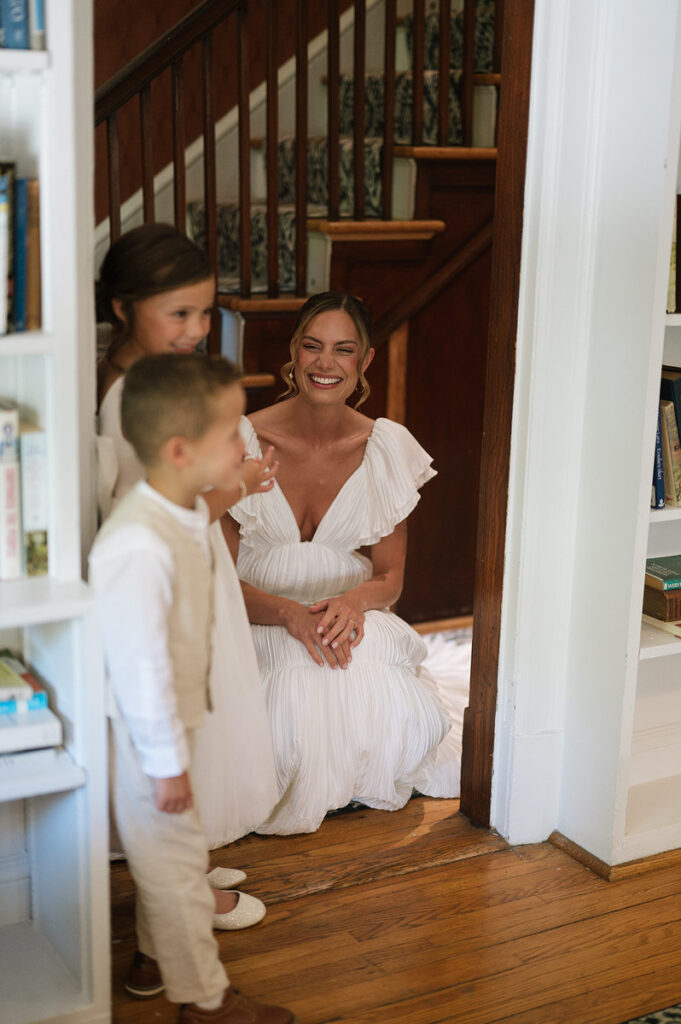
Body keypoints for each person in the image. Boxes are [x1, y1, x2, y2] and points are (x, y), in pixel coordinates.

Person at [89, 355, 295, 1023]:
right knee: (176, 877)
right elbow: (139, 667)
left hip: (174, 727)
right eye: (231, 436)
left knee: (171, 863)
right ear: (181, 450)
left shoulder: (177, 508)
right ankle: (206, 1002)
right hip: (154, 741)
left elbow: (205, 509)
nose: (244, 446)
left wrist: (240, 488)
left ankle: (155, 961)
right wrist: (166, 763)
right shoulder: (135, 547)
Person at [221, 292, 463, 836]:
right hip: (259, 613)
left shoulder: (386, 446)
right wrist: (288, 613)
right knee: (295, 677)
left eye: (342, 350)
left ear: (365, 361)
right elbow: (218, 581)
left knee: (372, 678)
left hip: (348, 613)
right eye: (312, 346)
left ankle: (349, 784)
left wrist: (352, 604)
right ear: (293, 352)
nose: (325, 363)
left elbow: (390, 579)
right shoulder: (241, 440)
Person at [95, 224, 280, 924]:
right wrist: (241, 483)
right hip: (170, 586)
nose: (197, 329)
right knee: (186, 726)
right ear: (122, 308)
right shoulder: (133, 396)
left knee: (206, 726)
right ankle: (177, 903)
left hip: (194, 574)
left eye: (204, 313)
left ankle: (187, 866)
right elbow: (156, 511)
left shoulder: (144, 376)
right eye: (178, 313)